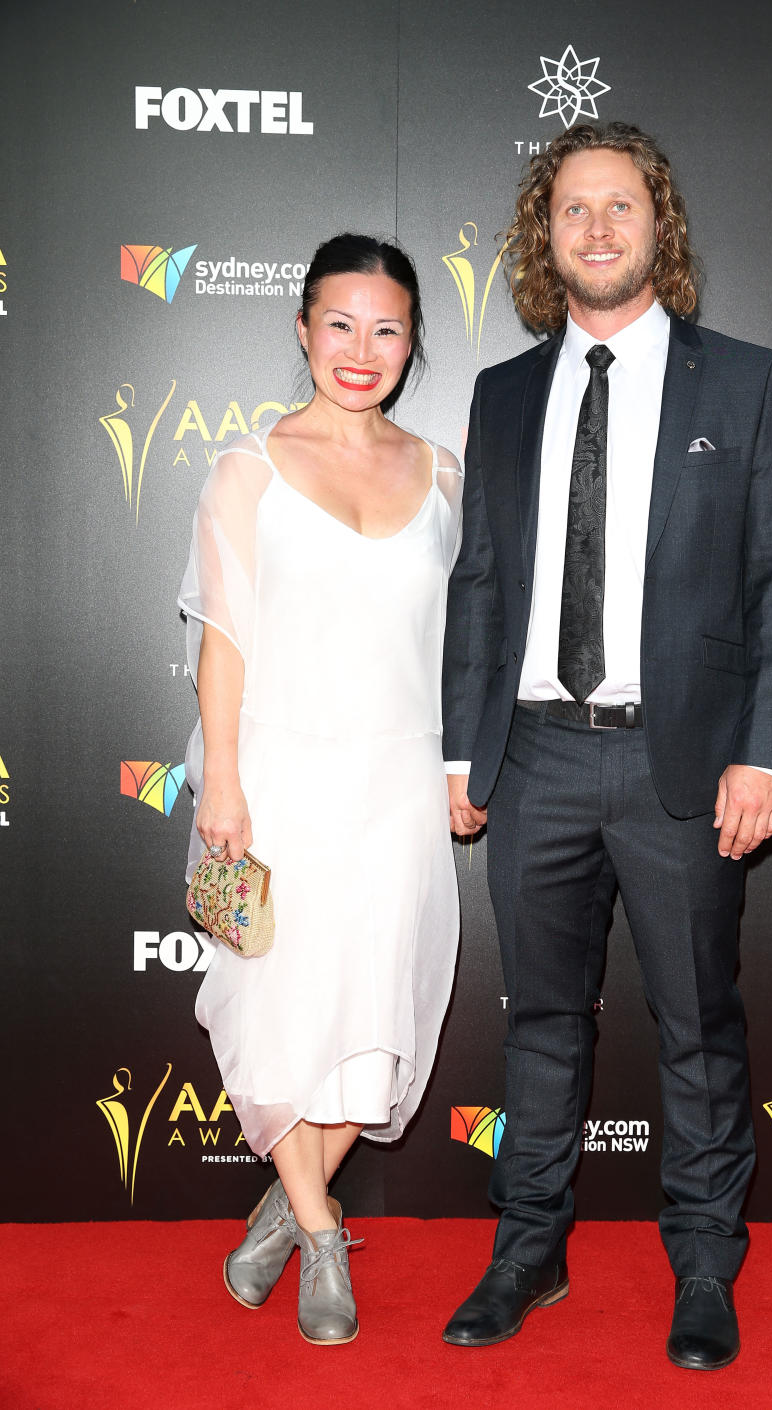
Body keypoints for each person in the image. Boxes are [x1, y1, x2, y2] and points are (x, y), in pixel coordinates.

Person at [440, 122, 772, 1369]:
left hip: (684, 765)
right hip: (536, 757)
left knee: (700, 1026)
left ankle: (705, 1263)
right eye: (572, 210)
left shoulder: (748, 380)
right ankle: (528, 1248)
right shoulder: (501, 396)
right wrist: (462, 751)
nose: (596, 228)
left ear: (660, 226)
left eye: (620, 206)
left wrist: (765, 756)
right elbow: (482, 585)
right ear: (542, 238)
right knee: (541, 1020)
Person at [178, 233, 463, 1346]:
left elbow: (466, 644)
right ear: (302, 330)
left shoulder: (442, 474)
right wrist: (225, 787)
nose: (362, 349)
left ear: (411, 345)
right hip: (280, 777)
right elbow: (222, 647)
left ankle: (275, 1219)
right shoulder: (247, 466)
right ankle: (324, 1238)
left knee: (370, 1023)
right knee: (285, 1013)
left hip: (398, 776)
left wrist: (457, 769)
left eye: (387, 328)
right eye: (339, 324)